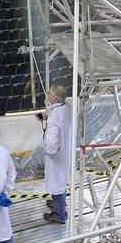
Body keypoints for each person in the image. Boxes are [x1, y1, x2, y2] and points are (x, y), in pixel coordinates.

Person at [37, 83, 72, 224]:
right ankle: (59, 204)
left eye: (50, 93)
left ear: (55, 99)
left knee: (57, 184)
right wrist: (46, 116)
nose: (47, 94)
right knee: (60, 181)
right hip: (65, 152)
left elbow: (51, 144)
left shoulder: (55, 118)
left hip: (56, 157)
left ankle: (59, 215)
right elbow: (58, 118)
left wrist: (47, 151)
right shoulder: (66, 107)